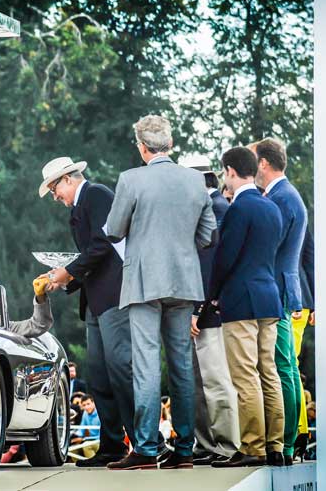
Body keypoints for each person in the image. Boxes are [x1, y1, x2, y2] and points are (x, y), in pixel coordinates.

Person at [105, 115, 218, 471]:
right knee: (182, 364)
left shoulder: (131, 179)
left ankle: (146, 447)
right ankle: (184, 449)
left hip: (143, 282)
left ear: (142, 146)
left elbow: (114, 229)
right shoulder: (195, 181)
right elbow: (208, 234)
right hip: (184, 282)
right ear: (170, 144)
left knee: (146, 364)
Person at [37, 156, 136, 468]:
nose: (55, 196)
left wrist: (66, 272)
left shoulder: (97, 195)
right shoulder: (81, 206)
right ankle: (112, 444)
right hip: (96, 299)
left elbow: (103, 245)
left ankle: (146, 442)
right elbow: (92, 258)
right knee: (98, 373)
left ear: (68, 179)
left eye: (55, 189)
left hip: (115, 296)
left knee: (120, 368)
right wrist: (65, 281)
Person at [207, 147, 286, 468]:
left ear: (229, 171)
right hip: (270, 297)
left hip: (242, 300)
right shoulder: (271, 207)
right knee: (269, 373)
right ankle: (276, 445)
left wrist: (212, 296)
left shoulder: (239, 209)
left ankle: (252, 446)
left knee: (244, 376)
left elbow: (225, 258)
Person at [178, 154, 240, 465]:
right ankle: (207, 444)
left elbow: (209, 266)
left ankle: (226, 444)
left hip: (209, 312)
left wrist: (197, 309)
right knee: (199, 382)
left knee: (215, 381)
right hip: (199, 308)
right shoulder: (207, 208)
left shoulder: (216, 209)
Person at [253, 138, 307, 465]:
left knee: (283, 367)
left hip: (275, 292)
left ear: (263, 163)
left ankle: (285, 442)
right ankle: (285, 440)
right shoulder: (284, 196)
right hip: (281, 288)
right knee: (284, 366)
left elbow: (268, 249)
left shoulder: (281, 198)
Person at [293, 227, 315, 459]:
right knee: (290, 366)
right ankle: (300, 431)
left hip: (294, 302)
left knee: (288, 366)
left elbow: (309, 258)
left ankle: (299, 430)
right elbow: (310, 258)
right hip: (301, 298)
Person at [74, 395, 102, 460]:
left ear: (93, 403)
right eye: (84, 405)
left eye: (88, 404)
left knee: (86, 446)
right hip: (89, 440)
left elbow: (103, 434)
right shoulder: (85, 413)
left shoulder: (100, 413)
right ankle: (79, 468)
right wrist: (75, 436)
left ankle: (95, 467)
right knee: (73, 450)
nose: (86, 407)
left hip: (100, 441)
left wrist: (84, 439)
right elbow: (81, 430)